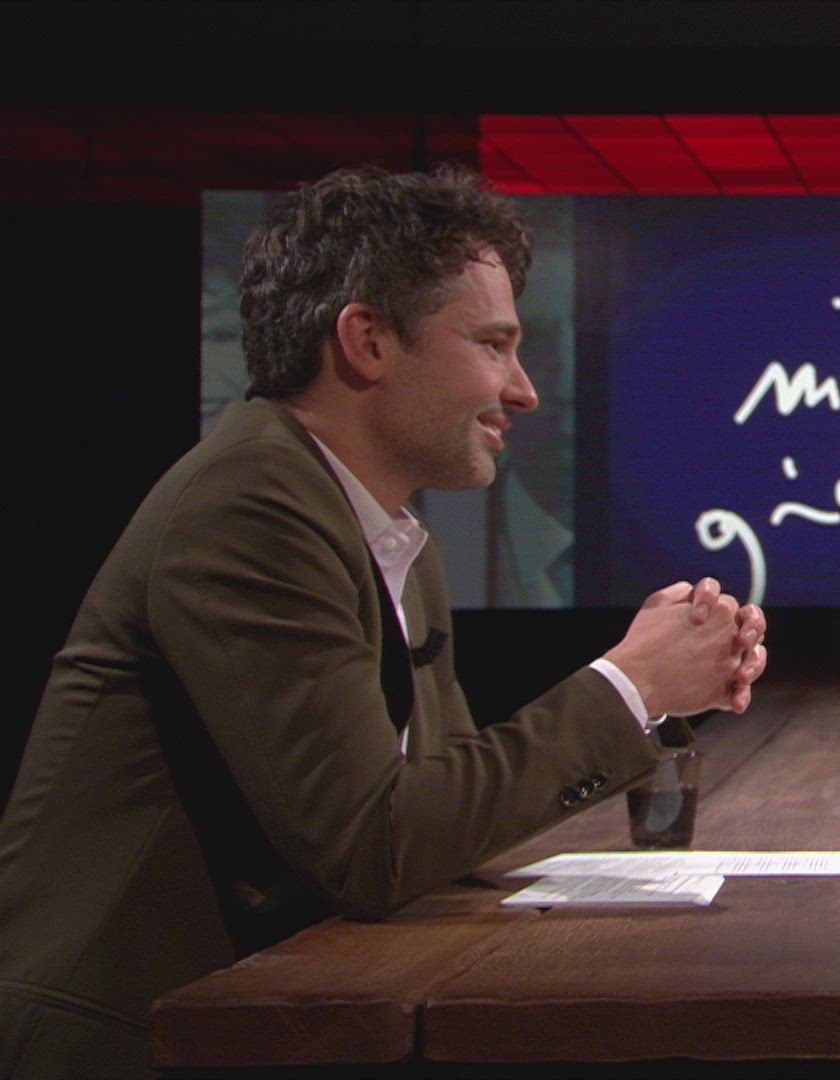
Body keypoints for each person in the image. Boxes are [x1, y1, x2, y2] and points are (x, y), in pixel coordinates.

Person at [0, 165, 769, 1079]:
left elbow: (439, 824)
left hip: (256, 1015)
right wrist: (632, 683)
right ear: (367, 341)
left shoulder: (381, 527)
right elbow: (375, 847)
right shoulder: (250, 506)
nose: (523, 390)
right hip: (129, 1039)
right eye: (492, 345)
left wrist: (647, 681)